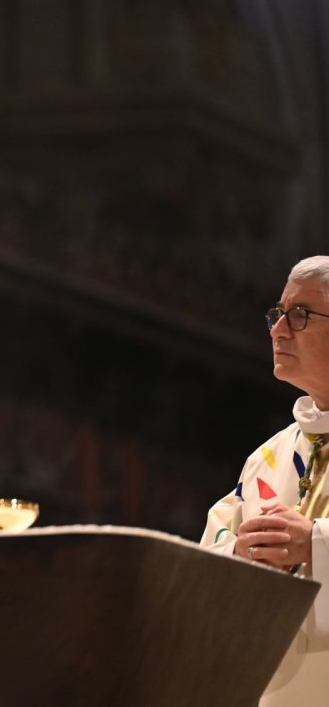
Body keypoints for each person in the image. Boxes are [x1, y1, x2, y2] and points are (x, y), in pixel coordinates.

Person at [201, 256, 329, 704]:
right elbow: (205, 564)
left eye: (300, 315)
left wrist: (315, 542)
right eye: (279, 314)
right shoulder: (268, 458)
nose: (277, 330)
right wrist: (241, 552)